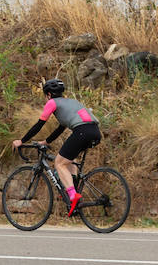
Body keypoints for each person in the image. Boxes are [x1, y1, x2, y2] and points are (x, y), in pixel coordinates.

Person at [13, 78, 101, 216]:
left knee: (59, 163)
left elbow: (39, 124)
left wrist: (22, 140)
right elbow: (61, 128)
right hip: (95, 132)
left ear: (48, 94)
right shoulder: (71, 102)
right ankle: (74, 195)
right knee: (69, 162)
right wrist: (47, 141)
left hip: (82, 132)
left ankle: (73, 196)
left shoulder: (52, 103)